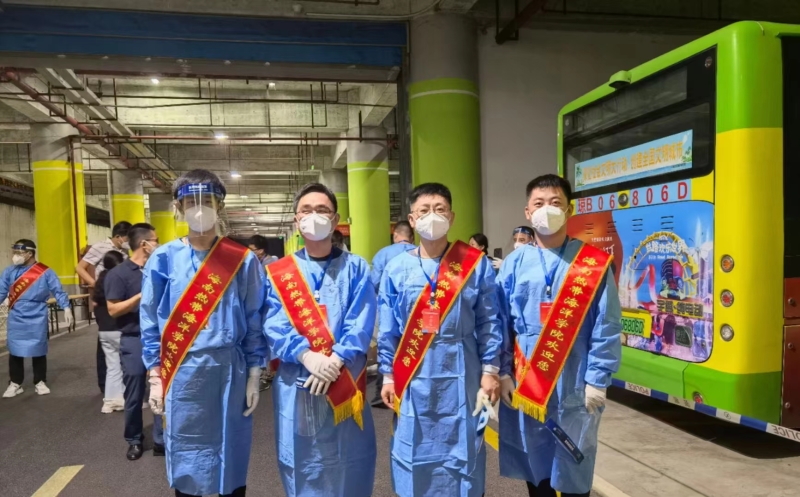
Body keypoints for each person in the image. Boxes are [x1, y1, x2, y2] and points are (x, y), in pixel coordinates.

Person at [141, 169, 268, 497]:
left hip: (230, 371)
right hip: (182, 371)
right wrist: (155, 374)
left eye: (207, 201)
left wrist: (255, 372)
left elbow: (254, 319)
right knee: (187, 452)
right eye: (190, 202)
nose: (199, 209)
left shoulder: (242, 260)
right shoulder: (163, 259)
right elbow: (151, 320)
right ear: (178, 207)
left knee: (231, 449)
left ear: (220, 205)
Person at [496, 174, 622, 497]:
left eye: (555, 202)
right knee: (535, 465)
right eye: (539, 203)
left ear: (569, 210)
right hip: (527, 378)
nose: (547, 209)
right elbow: (500, 322)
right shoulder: (514, 263)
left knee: (575, 462)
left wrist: (598, 379)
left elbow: (606, 323)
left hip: (576, 378)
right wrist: (503, 372)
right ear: (528, 212)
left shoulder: (592, 263)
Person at [378, 183, 503, 497]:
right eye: (424, 210)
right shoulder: (396, 268)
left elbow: (489, 320)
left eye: (440, 209)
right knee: (414, 447)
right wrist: (388, 374)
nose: (432, 216)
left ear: (452, 216)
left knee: (464, 448)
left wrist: (490, 370)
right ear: (412, 218)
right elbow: (389, 329)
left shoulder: (474, 264)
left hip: (464, 372)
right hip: (413, 373)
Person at [263, 182, 376, 497]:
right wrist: (306, 355)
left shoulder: (355, 267)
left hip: (344, 378)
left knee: (349, 458)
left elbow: (361, 318)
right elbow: (273, 321)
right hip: (297, 381)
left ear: (335, 218)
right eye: (306, 210)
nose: (314, 216)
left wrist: (336, 359)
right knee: (303, 460)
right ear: (296, 220)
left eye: (322, 210)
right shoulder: (279, 273)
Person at [105, 223, 163, 461]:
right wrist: (142, 295)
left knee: (162, 389)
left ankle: (161, 439)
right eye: (156, 240)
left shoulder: (160, 269)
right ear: (144, 244)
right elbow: (113, 309)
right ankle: (134, 439)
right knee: (135, 391)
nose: (158, 244)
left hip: (161, 339)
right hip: (134, 338)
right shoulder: (118, 274)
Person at [1, 240, 72, 398]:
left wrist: (66, 307)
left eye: (18, 253)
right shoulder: (9, 272)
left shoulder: (45, 272)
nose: (15, 256)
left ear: (29, 253)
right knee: (15, 350)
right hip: (16, 314)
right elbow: (1, 291)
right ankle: (15, 383)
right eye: (14, 252)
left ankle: (40, 381)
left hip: (37, 314)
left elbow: (58, 290)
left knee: (38, 349)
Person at [76, 220, 131, 395]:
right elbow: (80, 267)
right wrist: (96, 284)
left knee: (120, 337)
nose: (128, 241)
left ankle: (120, 381)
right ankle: (104, 382)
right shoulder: (100, 247)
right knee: (105, 339)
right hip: (105, 299)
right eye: (127, 238)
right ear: (118, 236)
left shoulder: (125, 251)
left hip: (120, 297)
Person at [368, 220, 414, 407]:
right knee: (414, 347)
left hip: (388, 310)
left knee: (387, 343)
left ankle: (384, 390)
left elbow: (374, 282)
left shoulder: (383, 254)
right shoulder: (421, 252)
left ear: (395, 235)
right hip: (417, 313)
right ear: (412, 237)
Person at [93, 251, 126, 413]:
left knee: (112, 367)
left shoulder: (100, 281)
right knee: (126, 366)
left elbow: (95, 306)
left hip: (104, 330)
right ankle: (127, 398)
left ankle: (109, 402)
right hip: (119, 328)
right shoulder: (118, 279)